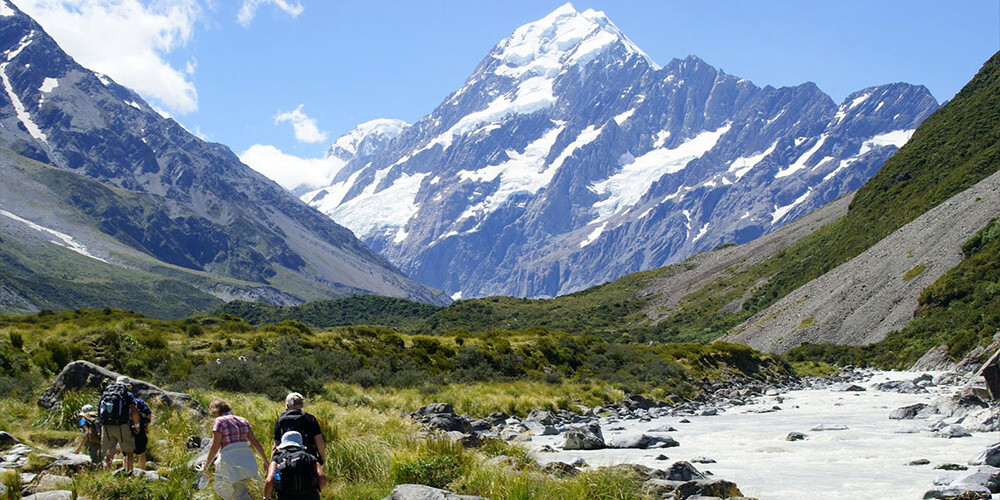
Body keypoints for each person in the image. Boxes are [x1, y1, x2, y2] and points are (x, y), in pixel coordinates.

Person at [202, 399, 268, 500]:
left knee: (230, 491)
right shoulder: (243, 420)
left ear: (216, 411)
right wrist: (265, 460)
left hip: (230, 461)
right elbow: (255, 442)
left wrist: (206, 465)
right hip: (247, 461)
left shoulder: (219, 421)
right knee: (241, 491)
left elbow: (215, 446)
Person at [264, 431, 325, 500]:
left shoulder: (277, 458)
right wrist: (316, 490)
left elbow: (269, 481)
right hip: (310, 496)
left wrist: (266, 497)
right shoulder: (310, 457)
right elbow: (322, 478)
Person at [98, 376, 140, 473]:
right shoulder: (127, 394)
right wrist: (137, 425)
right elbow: (133, 410)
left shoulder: (107, 392)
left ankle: (106, 474)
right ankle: (129, 474)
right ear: (127, 385)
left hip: (106, 426)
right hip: (122, 426)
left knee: (108, 454)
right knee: (129, 452)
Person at [271, 392, 325, 464]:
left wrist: (272, 463)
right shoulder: (310, 419)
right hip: (308, 458)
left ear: (287, 405)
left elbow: (276, 445)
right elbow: (319, 442)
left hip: (286, 461)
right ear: (301, 405)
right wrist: (322, 457)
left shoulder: (281, 420)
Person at [132, 396, 153, 469]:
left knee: (127, 454)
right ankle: (141, 472)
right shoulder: (138, 401)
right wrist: (146, 426)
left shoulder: (122, 401)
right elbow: (148, 414)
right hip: (139, 429)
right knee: (141, 453)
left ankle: (125, 472)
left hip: (126, 428)